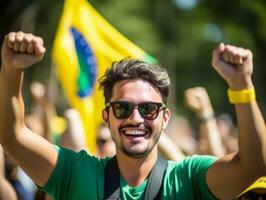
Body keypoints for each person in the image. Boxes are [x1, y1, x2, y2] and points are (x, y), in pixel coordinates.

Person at [0, 31, 265, 199]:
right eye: (123, 108)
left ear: (165, 117)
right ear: (107, 116)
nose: (135, 118)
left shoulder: (189, 178)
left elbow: (253, 166)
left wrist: (242, 87)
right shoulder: (76, 174)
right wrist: (12, 70)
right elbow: (12, 136)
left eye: (148, 108)